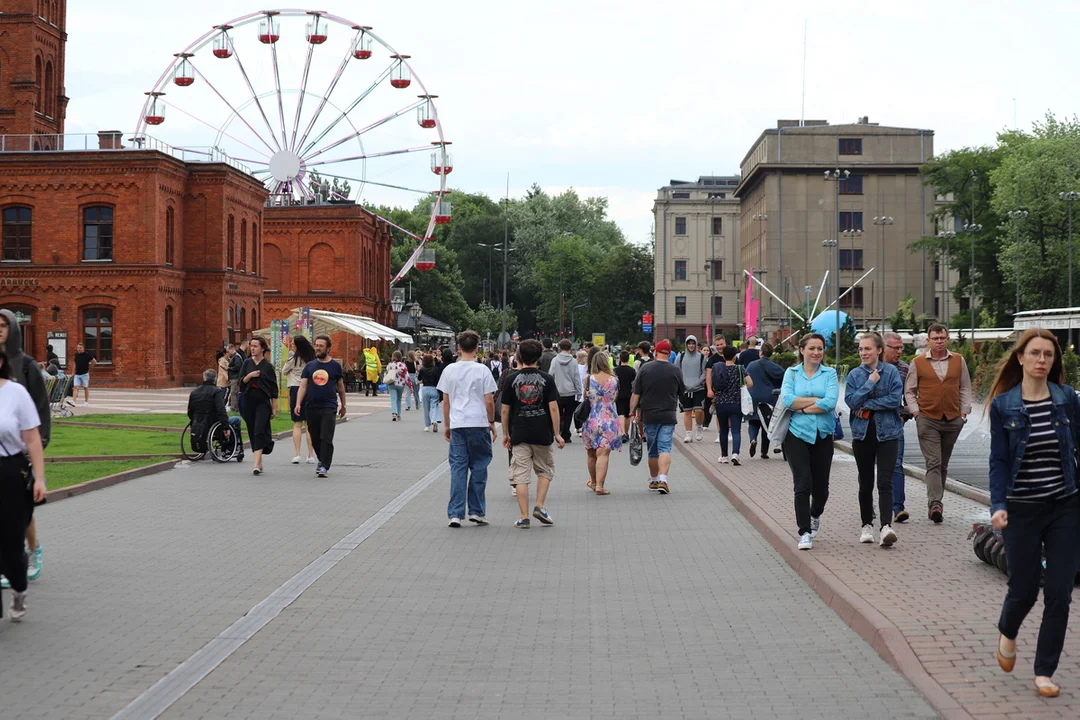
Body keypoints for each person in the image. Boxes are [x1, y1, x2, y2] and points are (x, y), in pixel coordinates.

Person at [987, 329, 1080, 698]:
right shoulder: (1003, 406)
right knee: (1023, 590)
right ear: (1021, 358)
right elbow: (999, 460)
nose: (1043, 360)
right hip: (1021, 510)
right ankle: (1008, 631)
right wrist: (998, 505)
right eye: (1036, 353)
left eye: (1049, 355)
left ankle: (1044, 671)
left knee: (1059, 593)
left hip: (1065, 506)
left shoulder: (1068, 400)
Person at [903, 323, 972, 523]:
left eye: (942, 338)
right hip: (927, 418)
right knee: (933, 461)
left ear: (947, 339)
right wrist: (916, 412)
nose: (939, 341)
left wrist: (964, 413)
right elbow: (910, 390)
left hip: (952, 418)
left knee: (942, 463)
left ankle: (935, 501)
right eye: (935, 338)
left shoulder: (958, 360)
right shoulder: (918, 362)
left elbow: (965, 387)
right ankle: (935, 504)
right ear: (929, 340)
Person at [0, 310, 49, 587]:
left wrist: (39, 444)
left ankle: (32, 549)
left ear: (13, 328)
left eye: (4, 325)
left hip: (20, 452)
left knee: (23, 508)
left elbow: (40, 408)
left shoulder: (27, 365)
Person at [780, 333, 839, 551]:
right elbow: (787, 399)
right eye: (812, 348)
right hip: (797, 434)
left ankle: (815, 515)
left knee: (821, 488)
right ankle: (804, 532)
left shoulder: (830, 373)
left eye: (820, 349)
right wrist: (817, 400)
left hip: (823, 434)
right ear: (802, 350)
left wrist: (802, 407)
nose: (816, 353)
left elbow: (831, 402)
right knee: (802, 483)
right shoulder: (792, 373)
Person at [844, 332, 903, 547]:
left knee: (885, 481)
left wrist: (867, 405)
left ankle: (886, 526)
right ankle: (866, 524)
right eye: (860, 349)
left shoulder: (891, 372)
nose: (863, 353)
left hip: (888, 434)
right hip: (862, 434)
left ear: (879, 350)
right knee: (865, 481)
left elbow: (895, 400)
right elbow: (851, 401)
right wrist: (869, 384)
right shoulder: (854, 375)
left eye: (867, 348)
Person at [500, 339, 564, 528]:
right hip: (542, 433)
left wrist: (505, 433)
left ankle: (524, 516)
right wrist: (557, 433)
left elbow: (505, 410)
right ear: (539, 357)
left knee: (520, 475)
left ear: (519, 356)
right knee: (545, 470)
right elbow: (553, 408)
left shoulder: (511, 380)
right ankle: (540, 505)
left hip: (519, 433)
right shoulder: (547, 379)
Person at [438, 330, 498, 527]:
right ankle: (476, 511)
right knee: (479, 466)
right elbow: (489, 400)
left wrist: (446, 424)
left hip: (458, 424)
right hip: (478, 422)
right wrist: (491, 421)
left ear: (458, 348)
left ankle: (455, 513)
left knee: (458, 468)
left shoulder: (449, 370)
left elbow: (445, 401)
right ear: (477, 348)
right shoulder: (482, 370)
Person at [630, 339, 685, 495]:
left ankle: (654, 480)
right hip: (668, 414)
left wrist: (632, 412)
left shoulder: (645, 369)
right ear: (669, 353)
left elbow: (635, 394)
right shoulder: (675, 370)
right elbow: (682, 391)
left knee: (653, 450)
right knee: (665, 447)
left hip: (649, 415)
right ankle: (663, 480)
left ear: (656, 352)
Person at [295, 335, 346, 478]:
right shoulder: (310, 366)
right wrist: (298, 403)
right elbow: (303, 386)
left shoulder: (335, 366)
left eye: (321, 346)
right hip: (311, 406)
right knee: (315, 437)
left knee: (326, 436)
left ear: (328, 348)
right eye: (316, 345)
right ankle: (322, 459)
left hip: (329, 406)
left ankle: (324, 465)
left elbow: (340, 387)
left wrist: (344, 405)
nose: (318, 348)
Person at [581, 350, 622, 495]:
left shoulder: (587, 379)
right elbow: (614, 398)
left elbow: (585, 396)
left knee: (591, 453)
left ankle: (593, 482)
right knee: (603, 454)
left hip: (591, 419)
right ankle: (600, 485)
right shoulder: (614, 380)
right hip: (609, 419)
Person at [883, 332, 912, 523]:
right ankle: (869, 506)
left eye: (902, 348)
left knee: (896, 464)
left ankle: (898, 508)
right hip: (871, 424)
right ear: (884, 348)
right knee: (868, 467)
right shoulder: (871, 367)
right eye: (896, 348)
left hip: (895, 423)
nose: (900, 351)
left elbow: (912, 397)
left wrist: (905, 415)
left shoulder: (905, 369)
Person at [238, 336, 278, 475]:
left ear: (262, 348)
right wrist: (249, 376)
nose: (252, 348)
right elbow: (240, 382)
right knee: (252, 430)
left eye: (255, 346)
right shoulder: (246, 363)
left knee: (259, 430)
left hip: (262, 402)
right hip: (248, 401)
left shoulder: (267, 366)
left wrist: (274, 407)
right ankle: (259, 461)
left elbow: (273, 388)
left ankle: (256, 464)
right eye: (251, 345)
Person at [744, 342, 785, 459]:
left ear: (761, 352)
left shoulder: (751, 365)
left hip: (752, 397)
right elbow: (784, 375)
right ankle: (764, 452)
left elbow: (746, 378)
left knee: (753, 421)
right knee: (767, 423)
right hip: (768, 397)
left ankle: (753, 439)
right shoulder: (772, 366)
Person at [282, 335, 317, 465]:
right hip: (309, 389)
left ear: (297, 346)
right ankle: (311, 455)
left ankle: (297, 454)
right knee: (309, 424)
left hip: (296, 388)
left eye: (292, 344)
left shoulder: (293, 358)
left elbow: (285, 371)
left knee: (297, 423)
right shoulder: (311, 358)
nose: (291, 346)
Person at [187, 368, 235, 455]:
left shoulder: (194, 392)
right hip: (213, 422)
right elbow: (221, 410)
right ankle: (231, 448)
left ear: (204, 378)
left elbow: (190, 411)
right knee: (236, 420)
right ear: (215, 379)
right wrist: (225, 426)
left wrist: (195, 420)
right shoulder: (216, 391)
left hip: (198, 422)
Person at [710, 346, 744, 465]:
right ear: (735, 356)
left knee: (723, 431)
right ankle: (735, 454)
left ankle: (724, 456)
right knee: (736, 430)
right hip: (736, 403)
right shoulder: (740, 369)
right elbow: (750, 383)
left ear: (723, 356)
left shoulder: (718, 369)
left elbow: (714, 385)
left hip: (721, 403)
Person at [675, 335, 707, 443]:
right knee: (687, 411)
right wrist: (682, 384)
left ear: (696, 344)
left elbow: (704, 372)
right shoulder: (681, 357)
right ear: (686, 344)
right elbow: (677, 371)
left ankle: (699, 427)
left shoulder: (702, 357)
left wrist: (698, 382)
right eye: (689, 343)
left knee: (699, 410)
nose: (691, 345)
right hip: (685, 389)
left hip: (698, 388)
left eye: (693, 343)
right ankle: (688, 433)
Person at [551, 339, 579, 444]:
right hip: (570, 391)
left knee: (559, 413)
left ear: (559, 347)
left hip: (557, 391)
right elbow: (576, 376)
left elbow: (550, 374)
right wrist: (579, 390)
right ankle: (566, 434)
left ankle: (560, 430)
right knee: (568, 414)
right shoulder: (573, 361)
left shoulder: (554, 360)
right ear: (570, 348)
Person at [614, 350, 636, 442]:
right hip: (629, 394)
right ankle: (626, 433)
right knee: (627, 415)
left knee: (620, 413)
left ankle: (622, 432)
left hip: (619, 394)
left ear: (620, 358)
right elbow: (634, 383)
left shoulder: (615, 370)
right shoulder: (632, 370)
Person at [418, 353, 441, 433]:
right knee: (435, 406)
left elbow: (419, 378)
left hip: (425, 388)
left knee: (426, 408)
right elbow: (438, 379)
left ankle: (427, 426)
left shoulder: (422, 369)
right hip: (434, 388)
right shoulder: (436, 369)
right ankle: (435, 420)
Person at [70, 341, 97, 406]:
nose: (79, 349)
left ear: (83, 348)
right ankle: (73, 401)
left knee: (85, 387)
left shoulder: (87, 355)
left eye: (80, 348)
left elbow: (94, 361)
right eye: (78, 348)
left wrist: (89, 367)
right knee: (76, 387)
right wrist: (73, 372)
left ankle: (86, 401)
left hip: (84, 374)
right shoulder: (76, 355)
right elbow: (75, 364)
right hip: (77, 374)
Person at [385, 350, 409, 421]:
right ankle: (399, 414)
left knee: (393, 398)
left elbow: (387, 372)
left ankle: (394, 413)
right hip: (401, 385)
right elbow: (406, 376)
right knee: (399, 399)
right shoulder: (403, 365)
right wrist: (410, 386)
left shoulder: (390, 364)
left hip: (392, 383)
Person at [225, 343, 243, 412]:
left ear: (232, 349)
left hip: (235, 378)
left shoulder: (236, 357)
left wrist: (228, 368)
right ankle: (234, 407)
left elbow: (237, 367)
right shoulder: (235, 356)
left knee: (234, 392)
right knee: (234, 392)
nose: (228, 353)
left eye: (228, 351)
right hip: (234, 377)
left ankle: (234, 408)